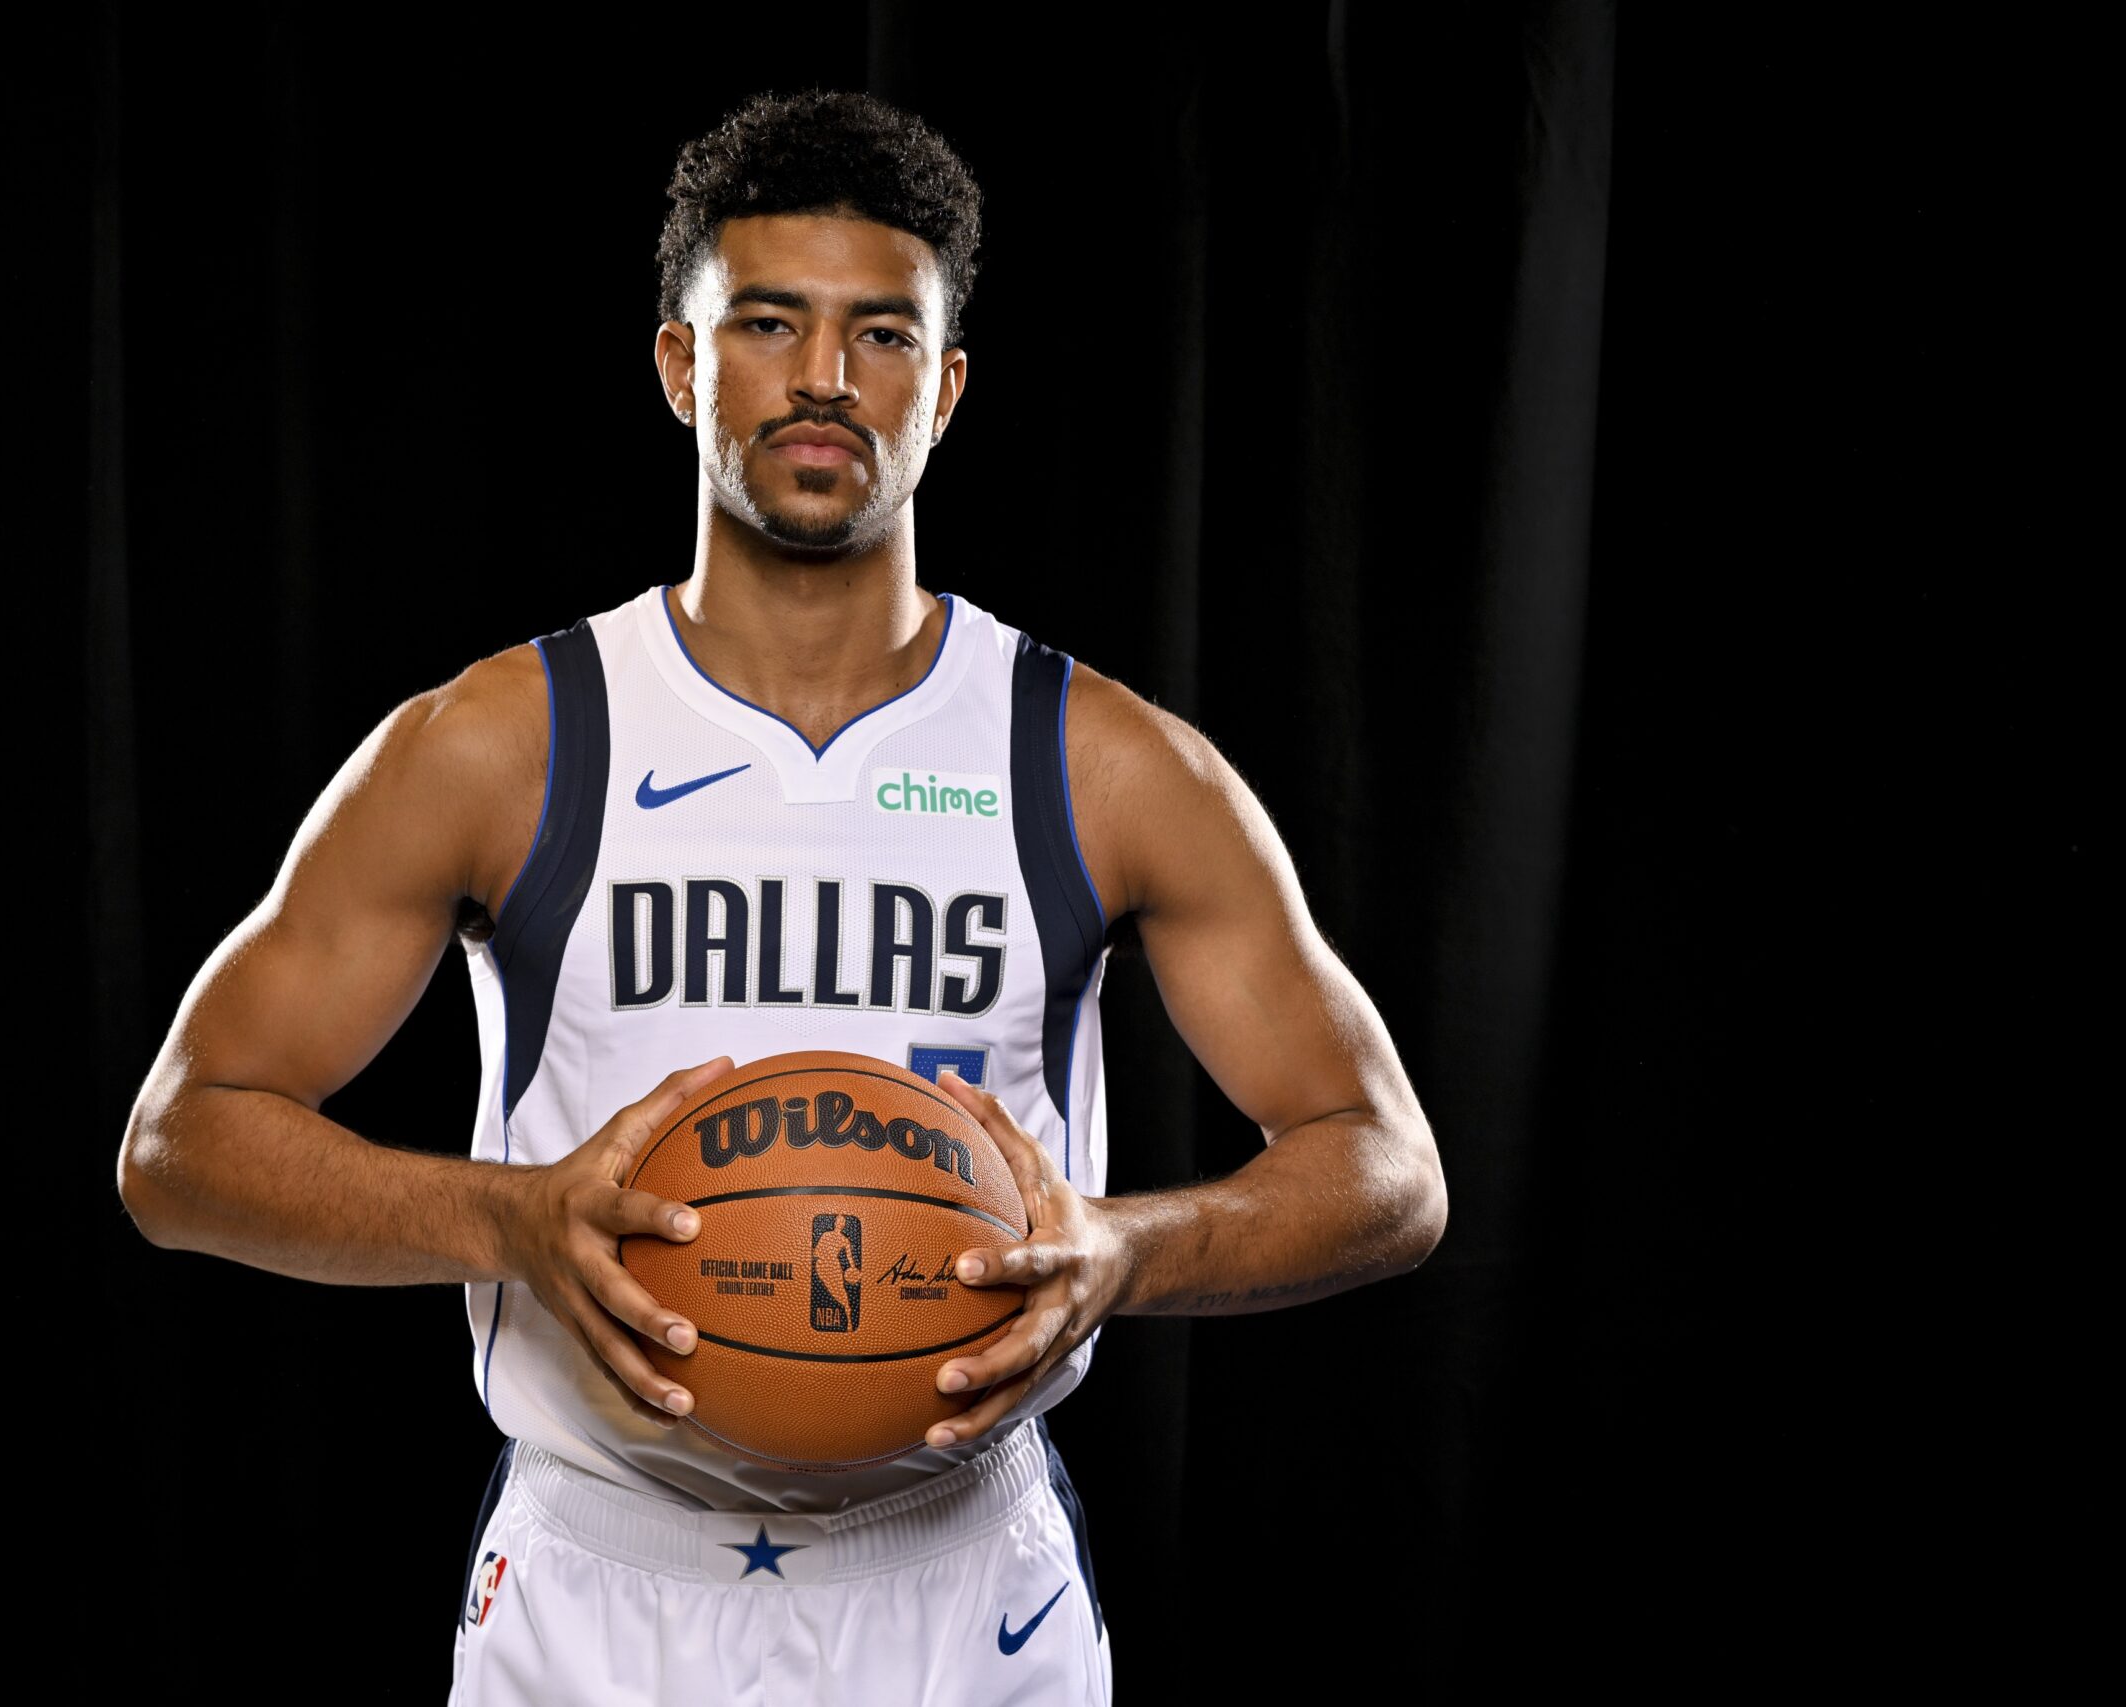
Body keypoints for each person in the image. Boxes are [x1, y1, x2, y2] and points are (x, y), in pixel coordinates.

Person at [117, 89, 1446, 1706]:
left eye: (884, 335)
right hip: (600, 1587)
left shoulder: (1092, 761)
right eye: (769, 323)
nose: (825, 377)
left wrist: (1127, 1246)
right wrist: (509, 1220)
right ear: (683, 366)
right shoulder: (507, 744)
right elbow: (181, 1143)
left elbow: (1388, 1166)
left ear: (946, 392)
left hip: (965, 1596)